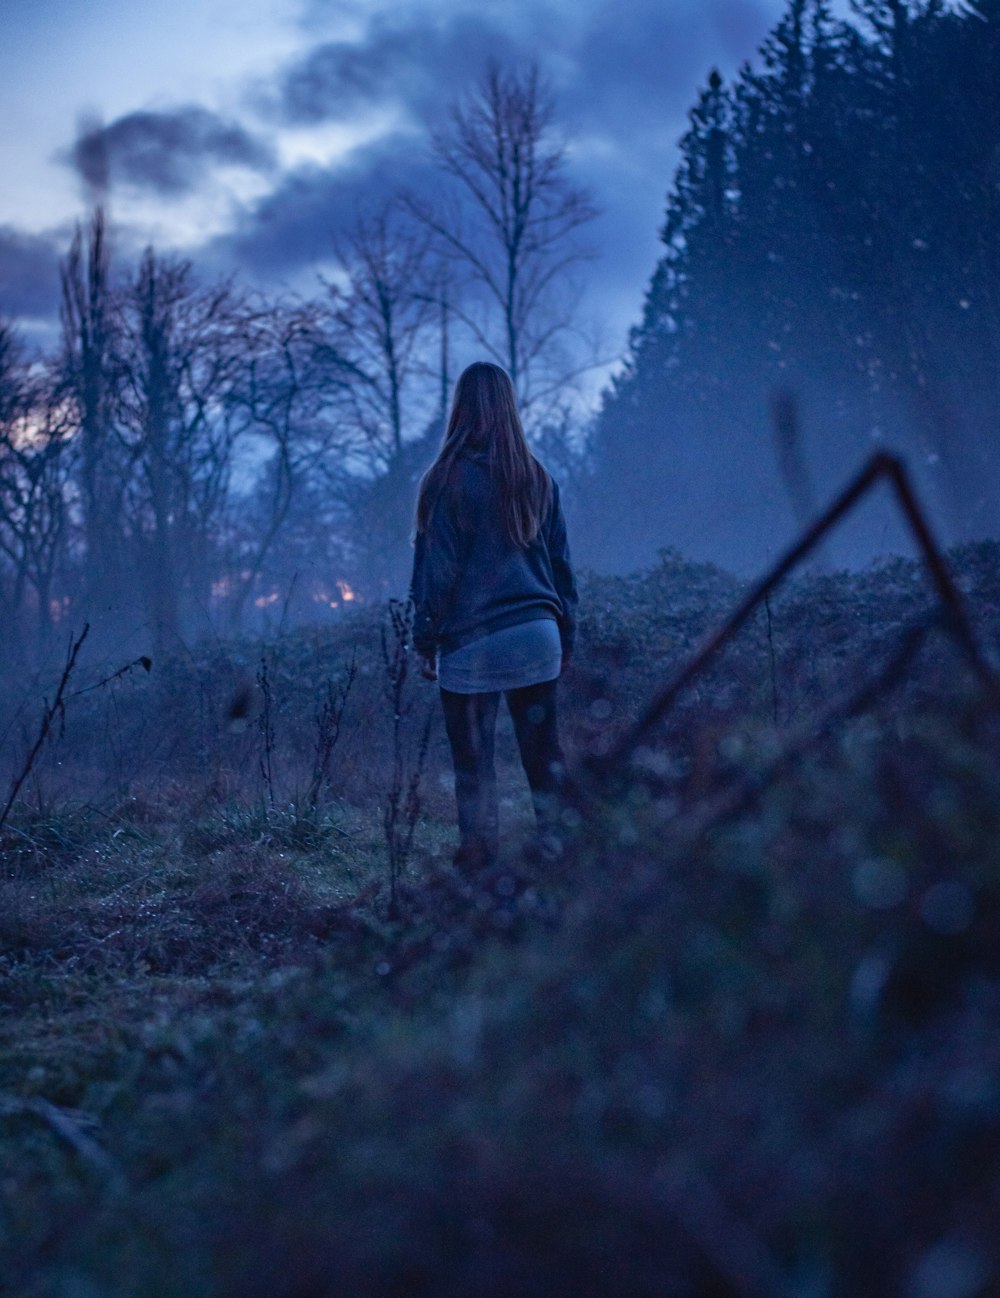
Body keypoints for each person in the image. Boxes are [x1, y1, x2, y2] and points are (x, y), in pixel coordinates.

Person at [409, 361, 578, 872]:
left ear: (459, 408)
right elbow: (562, 567)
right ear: (510, 407)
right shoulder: (537, 477)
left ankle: (480, 881)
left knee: (474, 771)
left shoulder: (444, 480)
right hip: (537, 634)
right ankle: (563, 868)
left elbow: (435, 573)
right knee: (544, 760)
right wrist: (565, 639)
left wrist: (423, 640)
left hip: (474, 642)